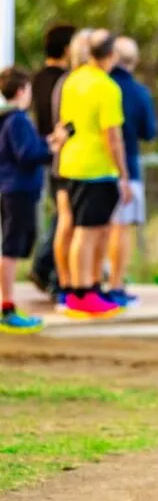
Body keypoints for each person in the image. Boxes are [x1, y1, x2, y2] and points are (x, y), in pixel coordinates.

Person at [56, 29, 130, 318]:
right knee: (88, 233)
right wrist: (122, 173)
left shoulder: (72, 80)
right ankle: (82, 291)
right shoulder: (107, 87)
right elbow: (112, 136)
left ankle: (89, 286)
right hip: (95, 168)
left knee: (89, 230)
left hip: (71, 163)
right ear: (111, 55)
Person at [0, 67, 66, 334]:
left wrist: (48, 141)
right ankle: (7, 307)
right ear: (21, 91)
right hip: (18, 190)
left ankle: (7, 304)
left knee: (14, 245)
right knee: (11, 248)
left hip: (10, 188)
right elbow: (27, 154)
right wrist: (54, 148)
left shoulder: (8, 121)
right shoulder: (17, 120)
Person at [105, 36, 158, 307]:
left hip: (95, 167)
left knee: (95, 229)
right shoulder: (138, 93)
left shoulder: (99, 86)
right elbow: (149, 132)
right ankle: (115, 284)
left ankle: (87, 284)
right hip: (126, 169)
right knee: (120, 229)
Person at [28, 23, 75, 297]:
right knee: (65, 218)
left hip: (44, 154)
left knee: (60, 215)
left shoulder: (35, 80)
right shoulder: (66, 82)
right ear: (68, 49)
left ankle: (46, 266)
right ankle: (50, 269)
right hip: (64, 156)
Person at [50, 29, 93, 306]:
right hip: (71, 165)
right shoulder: (75, 84)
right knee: (71, 225)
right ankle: (69, 285)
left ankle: (68, 284)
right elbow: (67, 125)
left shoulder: (68, 82)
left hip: (68, 163)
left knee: (69, 224)